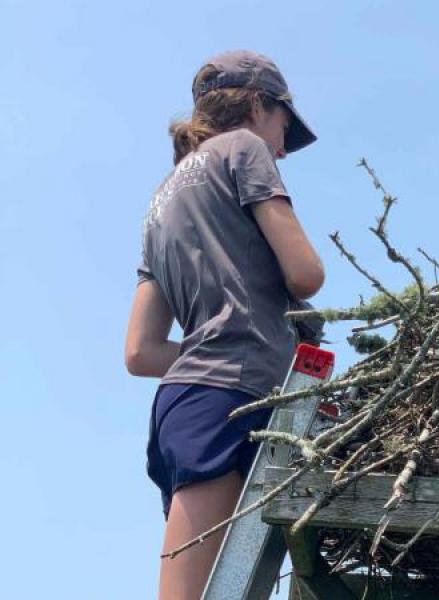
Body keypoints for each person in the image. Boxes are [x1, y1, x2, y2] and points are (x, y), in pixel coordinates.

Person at [124, 50, 325, 600]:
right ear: (260, 105)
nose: (282, 148)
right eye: (284, 126)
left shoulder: (161, 201)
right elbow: (307, 274)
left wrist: (217, 333)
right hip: (227, 402)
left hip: (185, 403)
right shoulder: (244, 149)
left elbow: (140, 352)